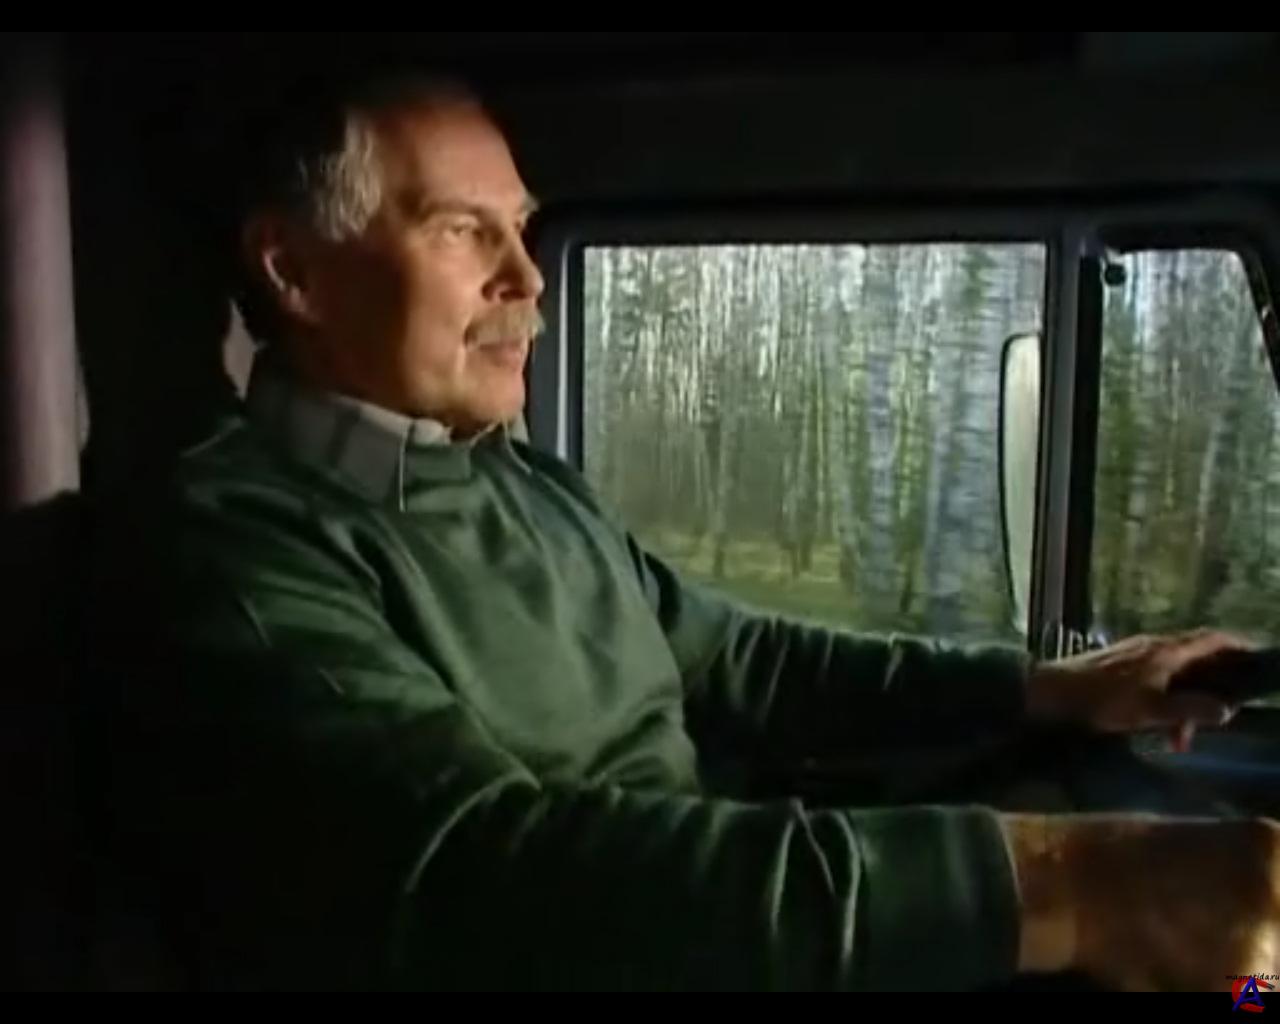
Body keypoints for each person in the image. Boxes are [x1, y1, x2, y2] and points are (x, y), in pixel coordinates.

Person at [98, 71, 1279, 992]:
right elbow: (483, 875)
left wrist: (1047, 690)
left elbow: (737, 661)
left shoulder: (521, 485)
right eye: (462, 231)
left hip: (742, 926)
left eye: (523, 229)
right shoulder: (232, 548)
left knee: (1224, 934)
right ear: (293, 271)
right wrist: (1063, 887)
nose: (528, 280)